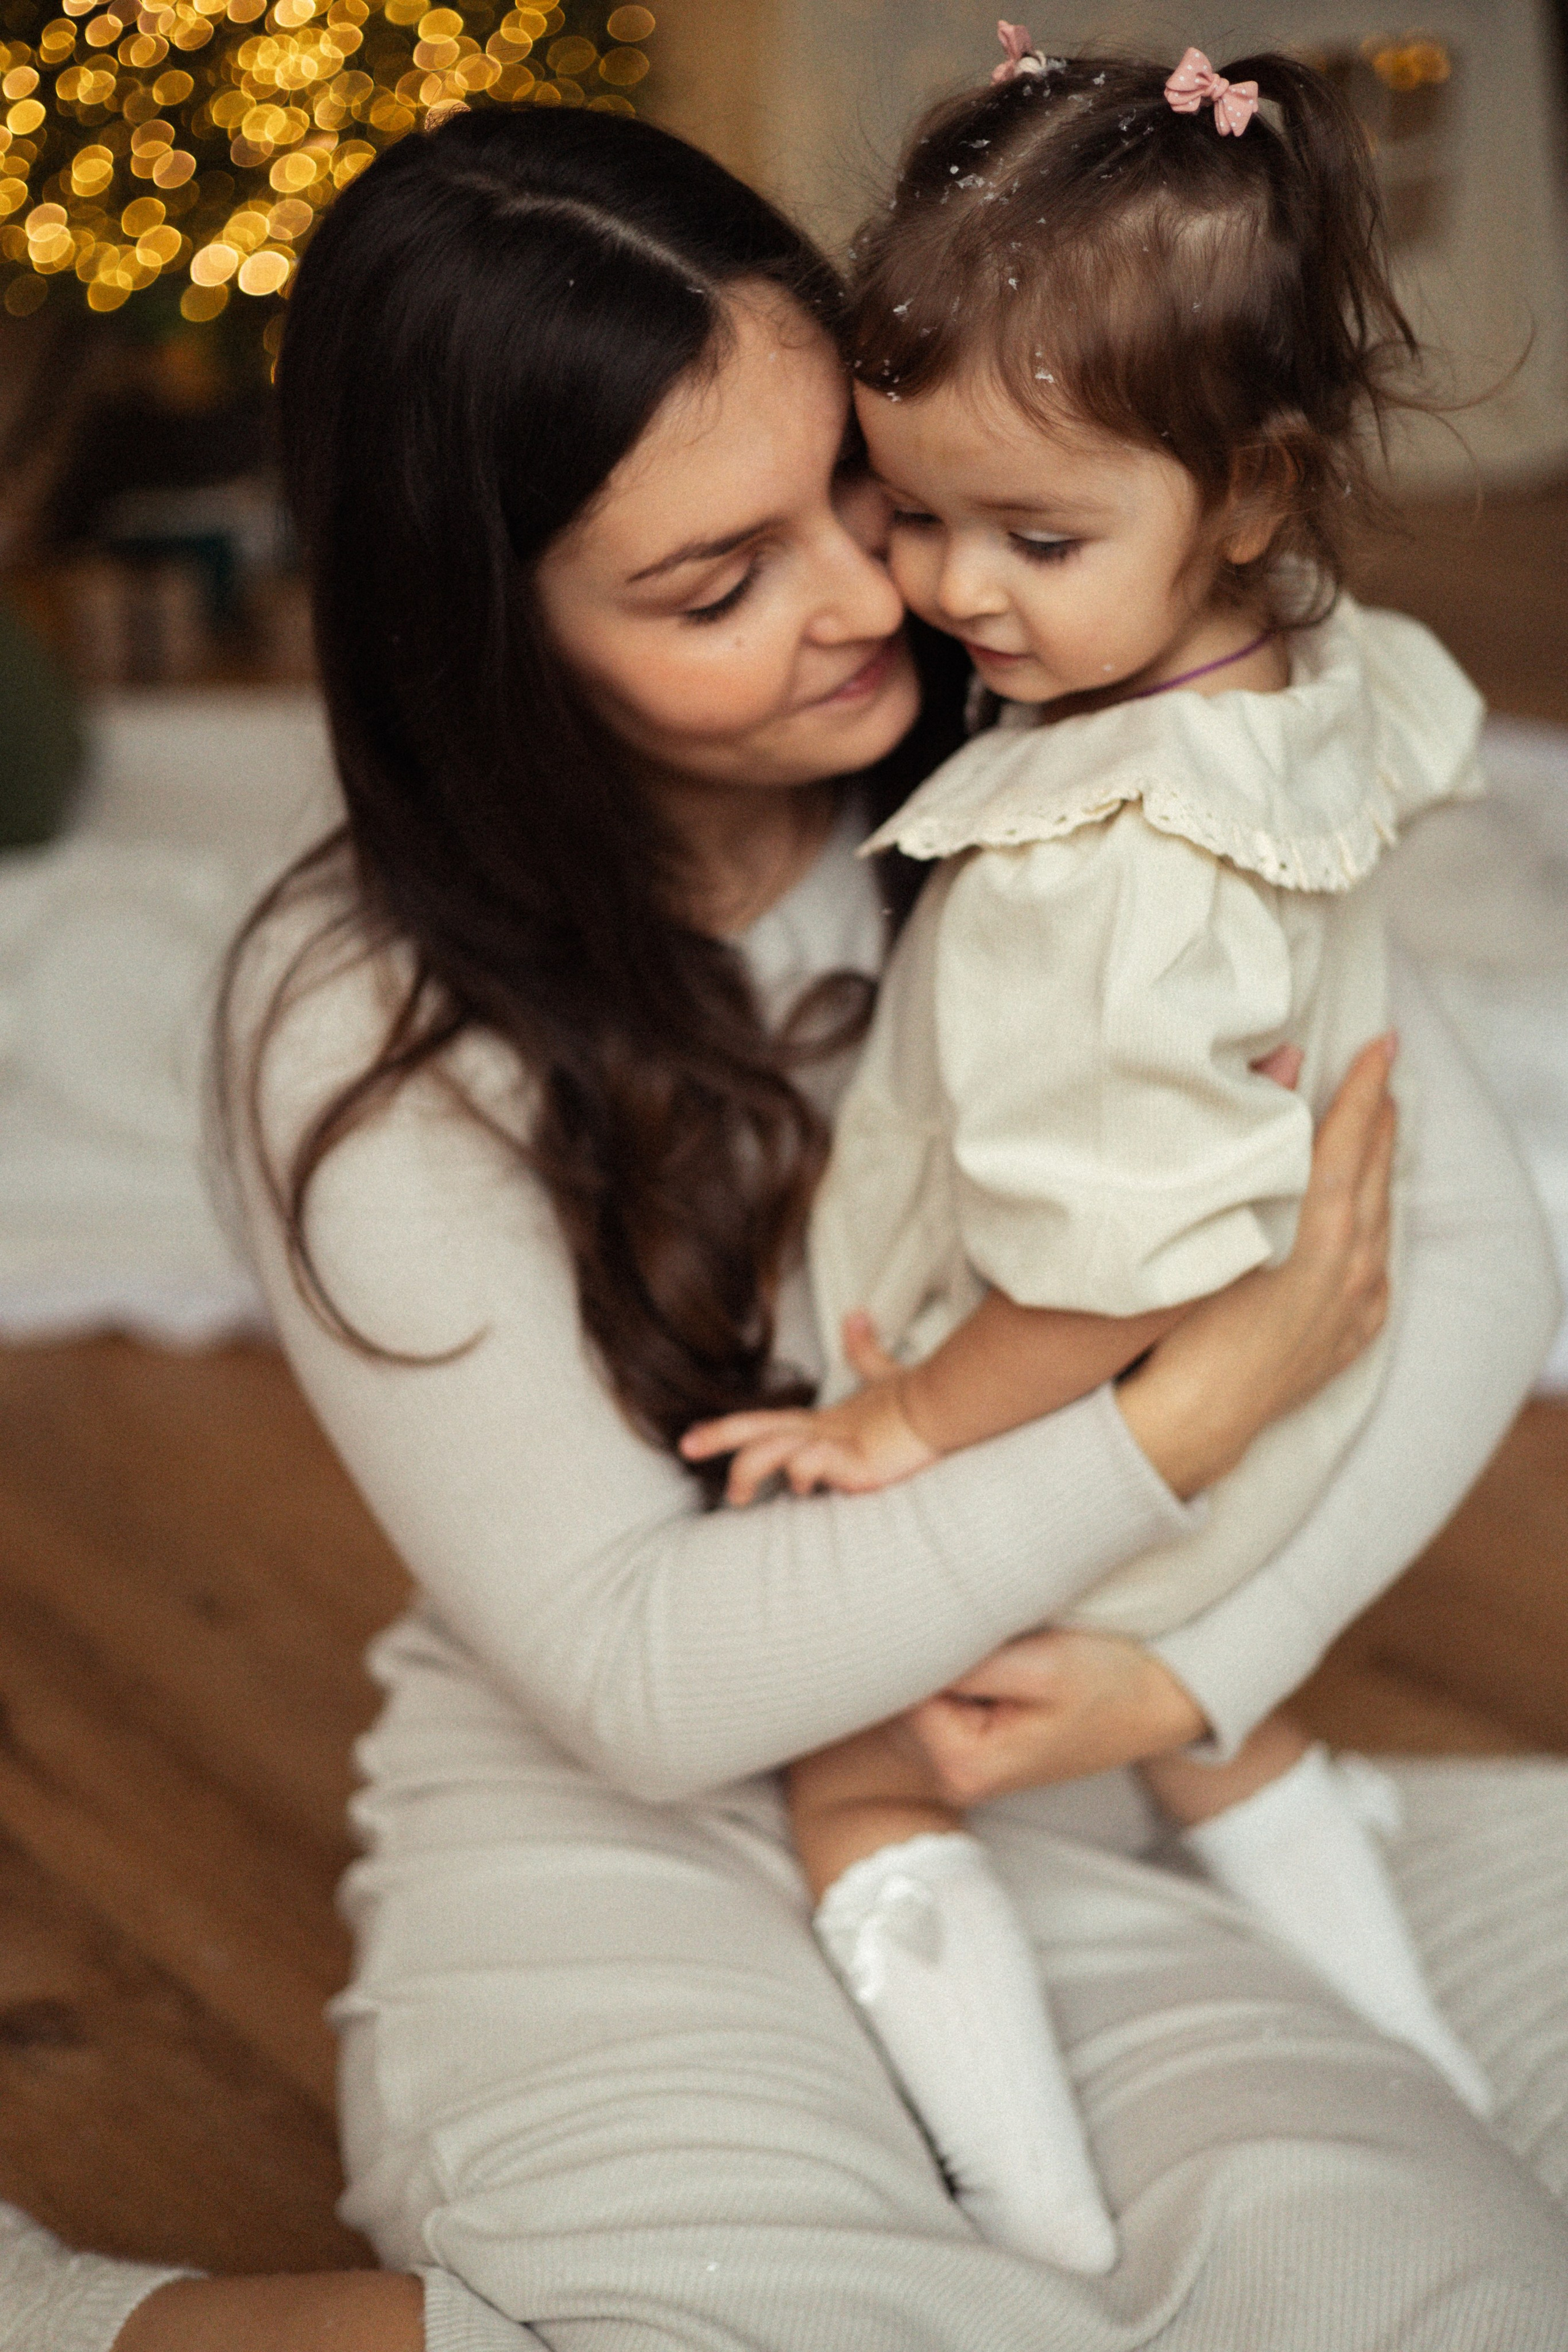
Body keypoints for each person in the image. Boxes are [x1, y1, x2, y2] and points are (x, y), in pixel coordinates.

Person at [2, 104, 1563, 2352]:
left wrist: (1192, 1668)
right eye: (714, 585)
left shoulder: (1064, 733)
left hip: (1038, 1762)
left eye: (863, 484)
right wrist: (1168, 1424)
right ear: (494, 636)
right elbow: (639, 1676)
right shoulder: (356, 1025)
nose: (873, 601)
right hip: (611, 1820)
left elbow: (1471, 1256)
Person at [679, 36, 1499, 2269]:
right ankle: (1434, 2066)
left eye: (1037, 538)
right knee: (1230, 1727)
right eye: (910, 506)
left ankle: (1033, 2226)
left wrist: (899, 1422)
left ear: (1251, 489)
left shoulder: (1093, 882)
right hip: (1288, 1398)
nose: (950, 592)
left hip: (1105, 1400)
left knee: (853, 1752)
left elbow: (1113, 1275)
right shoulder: (1290, 674)